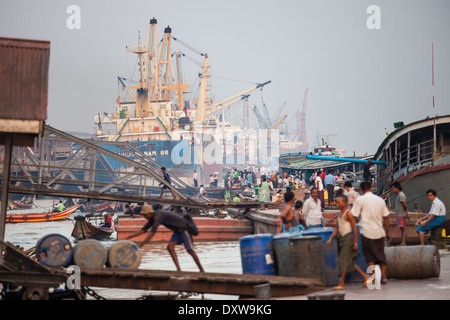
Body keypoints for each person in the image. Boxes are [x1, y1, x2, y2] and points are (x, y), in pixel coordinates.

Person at [125, 205, 205, 272]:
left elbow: (151, 234)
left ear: (149, 213)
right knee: (170, 247)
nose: (144, 217)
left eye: (145, 215)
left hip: (184, 229)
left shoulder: (158, 216)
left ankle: (201, 270)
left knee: (190, 250)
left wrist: (140, 245)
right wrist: (128, 237)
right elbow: (143, 230)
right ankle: (179, 270)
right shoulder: (152, 218)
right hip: (177, 231)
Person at [351, 181, 390, 286]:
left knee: (370, 257)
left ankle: (373, 279)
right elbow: (386, 217)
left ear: (361, 190)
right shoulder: (380, 200)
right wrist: (388, 232)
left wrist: (351, 228)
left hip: (366, 232)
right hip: (379, 231)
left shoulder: (360, 200)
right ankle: (384, 277)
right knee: (381, 255)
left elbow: (354, 216)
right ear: (371, 188)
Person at [326, 196, 369, 290]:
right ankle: (365, 276)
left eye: (338, 202)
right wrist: (330, 238)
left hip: (347, 240)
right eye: (336, 202)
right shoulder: (339, 214)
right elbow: (336, 228)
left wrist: (355, 243)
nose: (337, 204)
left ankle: (341, 283)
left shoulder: (348, 214)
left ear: (344, 203)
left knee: (342, 260)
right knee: (349, 262)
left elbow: (354, 228)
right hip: (341, 239)